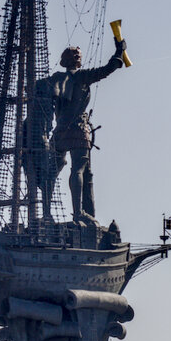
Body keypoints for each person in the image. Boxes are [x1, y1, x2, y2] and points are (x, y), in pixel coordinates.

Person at [42, 34, 126, 224]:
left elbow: (42, 95)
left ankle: (46, 213)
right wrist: (119, 51)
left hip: (60, 130)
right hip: (79, 129)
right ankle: (78, 213)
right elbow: (108, 69)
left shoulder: (55, 79)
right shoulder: (82, 76)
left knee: (51, 172)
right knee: (78, 170)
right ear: (76, 60)